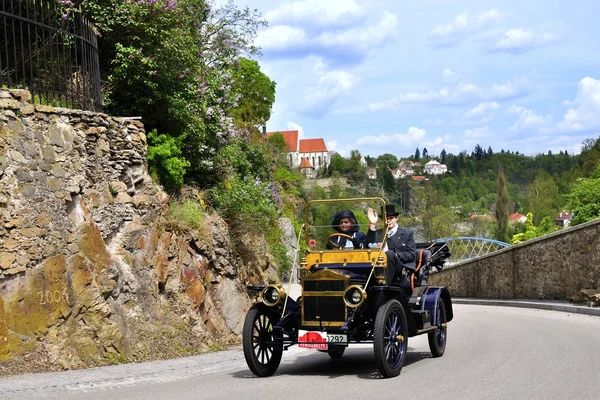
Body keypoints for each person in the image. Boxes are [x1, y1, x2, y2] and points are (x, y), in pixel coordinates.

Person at [366, 204, 417, 285]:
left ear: (396, 218)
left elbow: (412, 255)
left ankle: (384, 286)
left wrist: (395, 255)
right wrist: (372, 224)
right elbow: (367, 245)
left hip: (399, 267)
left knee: (389, 254)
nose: (388, 220)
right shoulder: (378, 233)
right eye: (385, 218)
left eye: (391, 218)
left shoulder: (407, 234)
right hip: (378, 266)